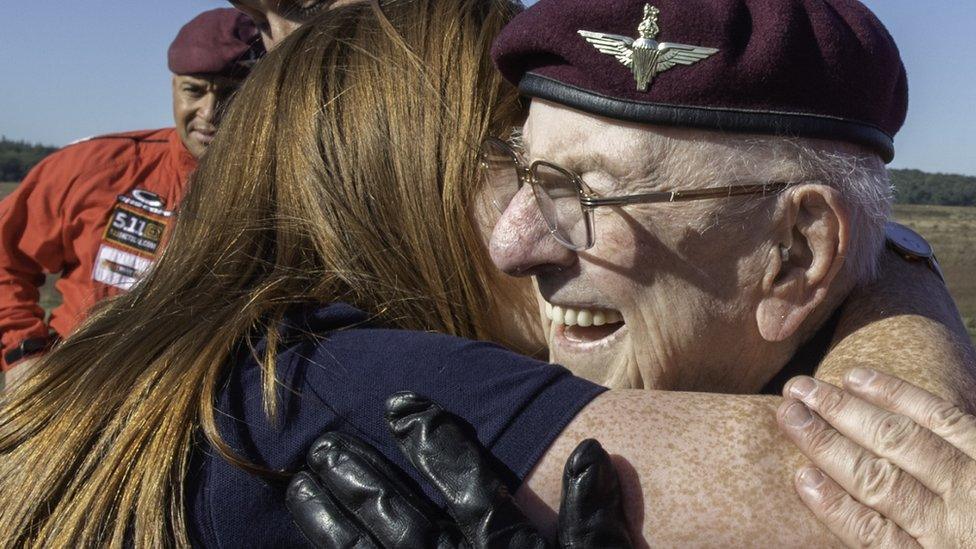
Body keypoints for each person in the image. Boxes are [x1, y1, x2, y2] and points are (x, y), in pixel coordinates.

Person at [0, 1, 971, 547]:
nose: (517, 242)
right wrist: (904, 293)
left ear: (795, 254)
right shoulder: (342, 393)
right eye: (520, 176)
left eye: (582, 195)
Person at [0, 9, 263, 383]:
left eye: (232, 92)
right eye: (194, 90)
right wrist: (23, 351)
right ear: (173, 86)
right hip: (73, 391)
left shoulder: (284, 192)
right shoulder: (97, 167)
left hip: (201, 406)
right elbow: (6, 256)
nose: (210, 112)